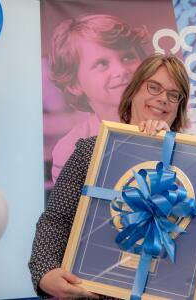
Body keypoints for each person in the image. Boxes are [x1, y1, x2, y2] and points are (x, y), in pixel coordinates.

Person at [29, 54, 196, 299]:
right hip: (104, 292)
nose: (163, 99)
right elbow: (56, 219)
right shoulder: (90, 151)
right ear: (133, 91)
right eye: (154, 87)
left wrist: (172, 152)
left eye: (174, 94)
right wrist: (45, 272)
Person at [48, 14, 149, 182]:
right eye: (101, 64)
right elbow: (72, 207)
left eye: (128, 57)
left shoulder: (172, 118)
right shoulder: (70, 149)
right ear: (74, 84)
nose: (121, 71)